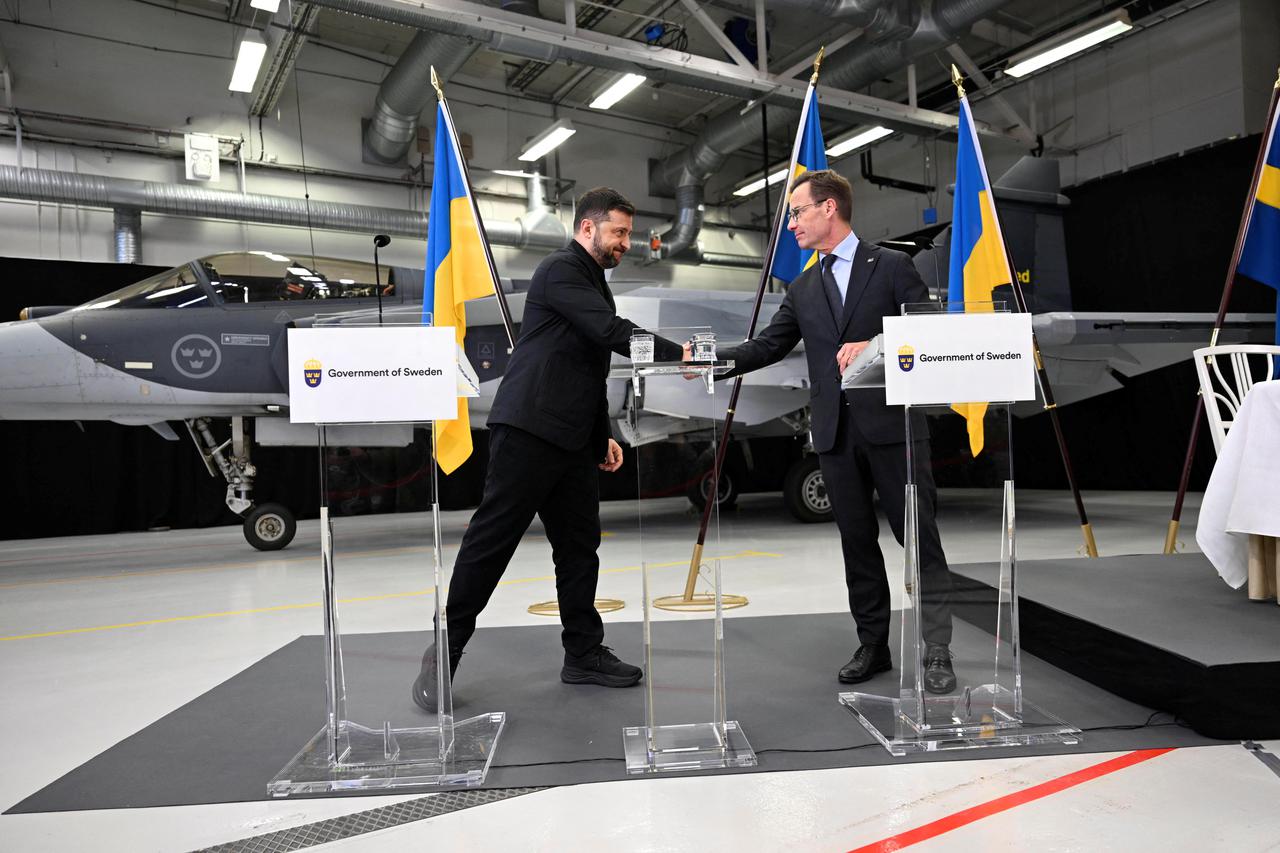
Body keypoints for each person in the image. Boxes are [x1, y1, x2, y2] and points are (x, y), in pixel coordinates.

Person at [413, 187, 686, 712]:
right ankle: (444, 651)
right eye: (619, 232)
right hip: (530, 431)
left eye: (628, 233)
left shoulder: (592, 282)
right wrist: (683, 355)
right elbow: (610, 332)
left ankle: (582, 653)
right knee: (492, 543)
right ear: (587, 228)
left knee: (580, 548)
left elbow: (585, 368)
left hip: (572, 440)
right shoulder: (561, 269)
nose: (626, 242)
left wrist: (601, 435)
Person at [718, 169, 957, 694]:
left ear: (829, 208)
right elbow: (768, 346)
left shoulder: (891, 266)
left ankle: (937, 648)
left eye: (797, 212)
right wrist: (709, 361)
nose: (791, 224)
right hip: (835, 435)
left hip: (895, 428)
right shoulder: (804, 286)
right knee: (856, 544)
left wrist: (876, 343)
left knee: (920, 541)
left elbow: (929, 329)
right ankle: (873, 644)